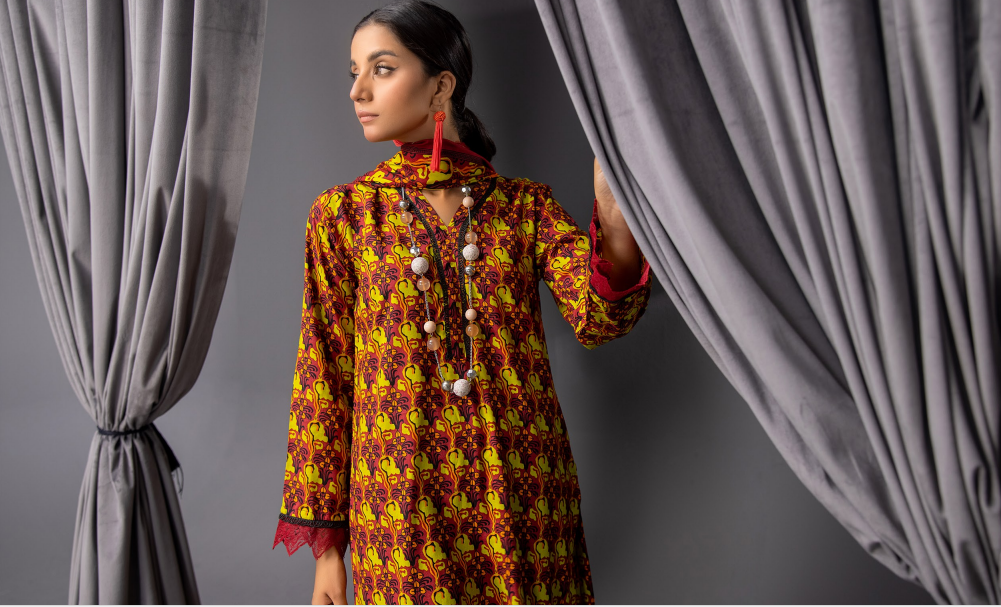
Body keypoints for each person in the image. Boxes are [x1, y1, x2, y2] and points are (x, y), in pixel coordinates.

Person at [272, 1, 653, 603]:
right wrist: (328, 554)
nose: (358, 91)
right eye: (354, 72)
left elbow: (601, 318)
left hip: (522, 495)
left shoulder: (523, 207)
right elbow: (323, 378)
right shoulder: (344, 216)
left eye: (382, 69)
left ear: (440, 86)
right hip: (399, 504)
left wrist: (613, 212)